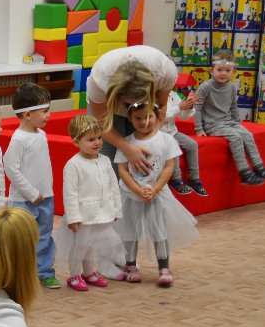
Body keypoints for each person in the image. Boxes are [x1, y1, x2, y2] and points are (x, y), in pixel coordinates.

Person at [115, 102, 200, 286]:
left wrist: (155, 189)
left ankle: (164, 268)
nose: (144, 122)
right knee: (129, 231)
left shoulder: (166, 140)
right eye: (138, 118)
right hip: (130, 195)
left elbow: (169, 167)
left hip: (157, 193)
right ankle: (130, 266)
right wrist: (138, 190)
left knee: (159, 230)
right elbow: (122, 170)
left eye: (148, 117)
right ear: (130, 118)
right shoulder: (127, 143)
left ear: (156, 116)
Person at [55, 115, 124, 291]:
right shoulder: (73, 165)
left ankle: (89, 273)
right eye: (91, 139)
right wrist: (73, 217)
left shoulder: (105, 160)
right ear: (76, 142)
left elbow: (113, 186)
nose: (97, 142)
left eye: (99, 138)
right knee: (80, 246)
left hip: (101, 213)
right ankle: (73, 275)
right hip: (83, 215)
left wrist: (116, 209)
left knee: (92, 246)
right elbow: (70, 193)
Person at [86, 45, 179, 176]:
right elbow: (101, 121)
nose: (131, 105)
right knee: (109, 162)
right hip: (106, 107)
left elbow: (162, 107)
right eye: (128, 101)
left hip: (142, 110)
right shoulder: (100, 78)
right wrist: (127, 147)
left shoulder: (165, 71)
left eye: (137, 100)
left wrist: (154, 136)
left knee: (141, 160)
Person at [4, 83, 59, 288]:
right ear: (27, 114)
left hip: (46, 198)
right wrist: (31, 192)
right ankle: (16, 274)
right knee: (20, 238)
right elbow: (11, 168)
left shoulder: (41, 135)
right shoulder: (19, 139)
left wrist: (44, 191)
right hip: (24, 200)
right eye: (44, 111)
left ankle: (43, 271)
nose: (48, 115)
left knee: (44, 236)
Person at [194, 49, 265, 185]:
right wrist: (199, 129)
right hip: (212, 124)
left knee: (247, 135)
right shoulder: (205, 87)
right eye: (219, 70)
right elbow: (197, 108)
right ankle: (245, 172)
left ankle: (258, 166)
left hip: (228, 122)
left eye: (227, 70)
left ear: (233, 72)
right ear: (211, 70)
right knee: (236, 138)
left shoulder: (231, 88)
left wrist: (237, 124)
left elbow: (233, 107)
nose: (223, 73)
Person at [163, 87, 207, 196]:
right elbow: (160, 118)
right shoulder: (154, 95)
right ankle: (176, 180)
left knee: (192, 144)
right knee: (174, 144)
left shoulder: (173, 95)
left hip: (172, 132)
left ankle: (194, 179)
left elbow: (183, 116)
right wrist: (179, 107)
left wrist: (189, 105)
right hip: (159, 133)